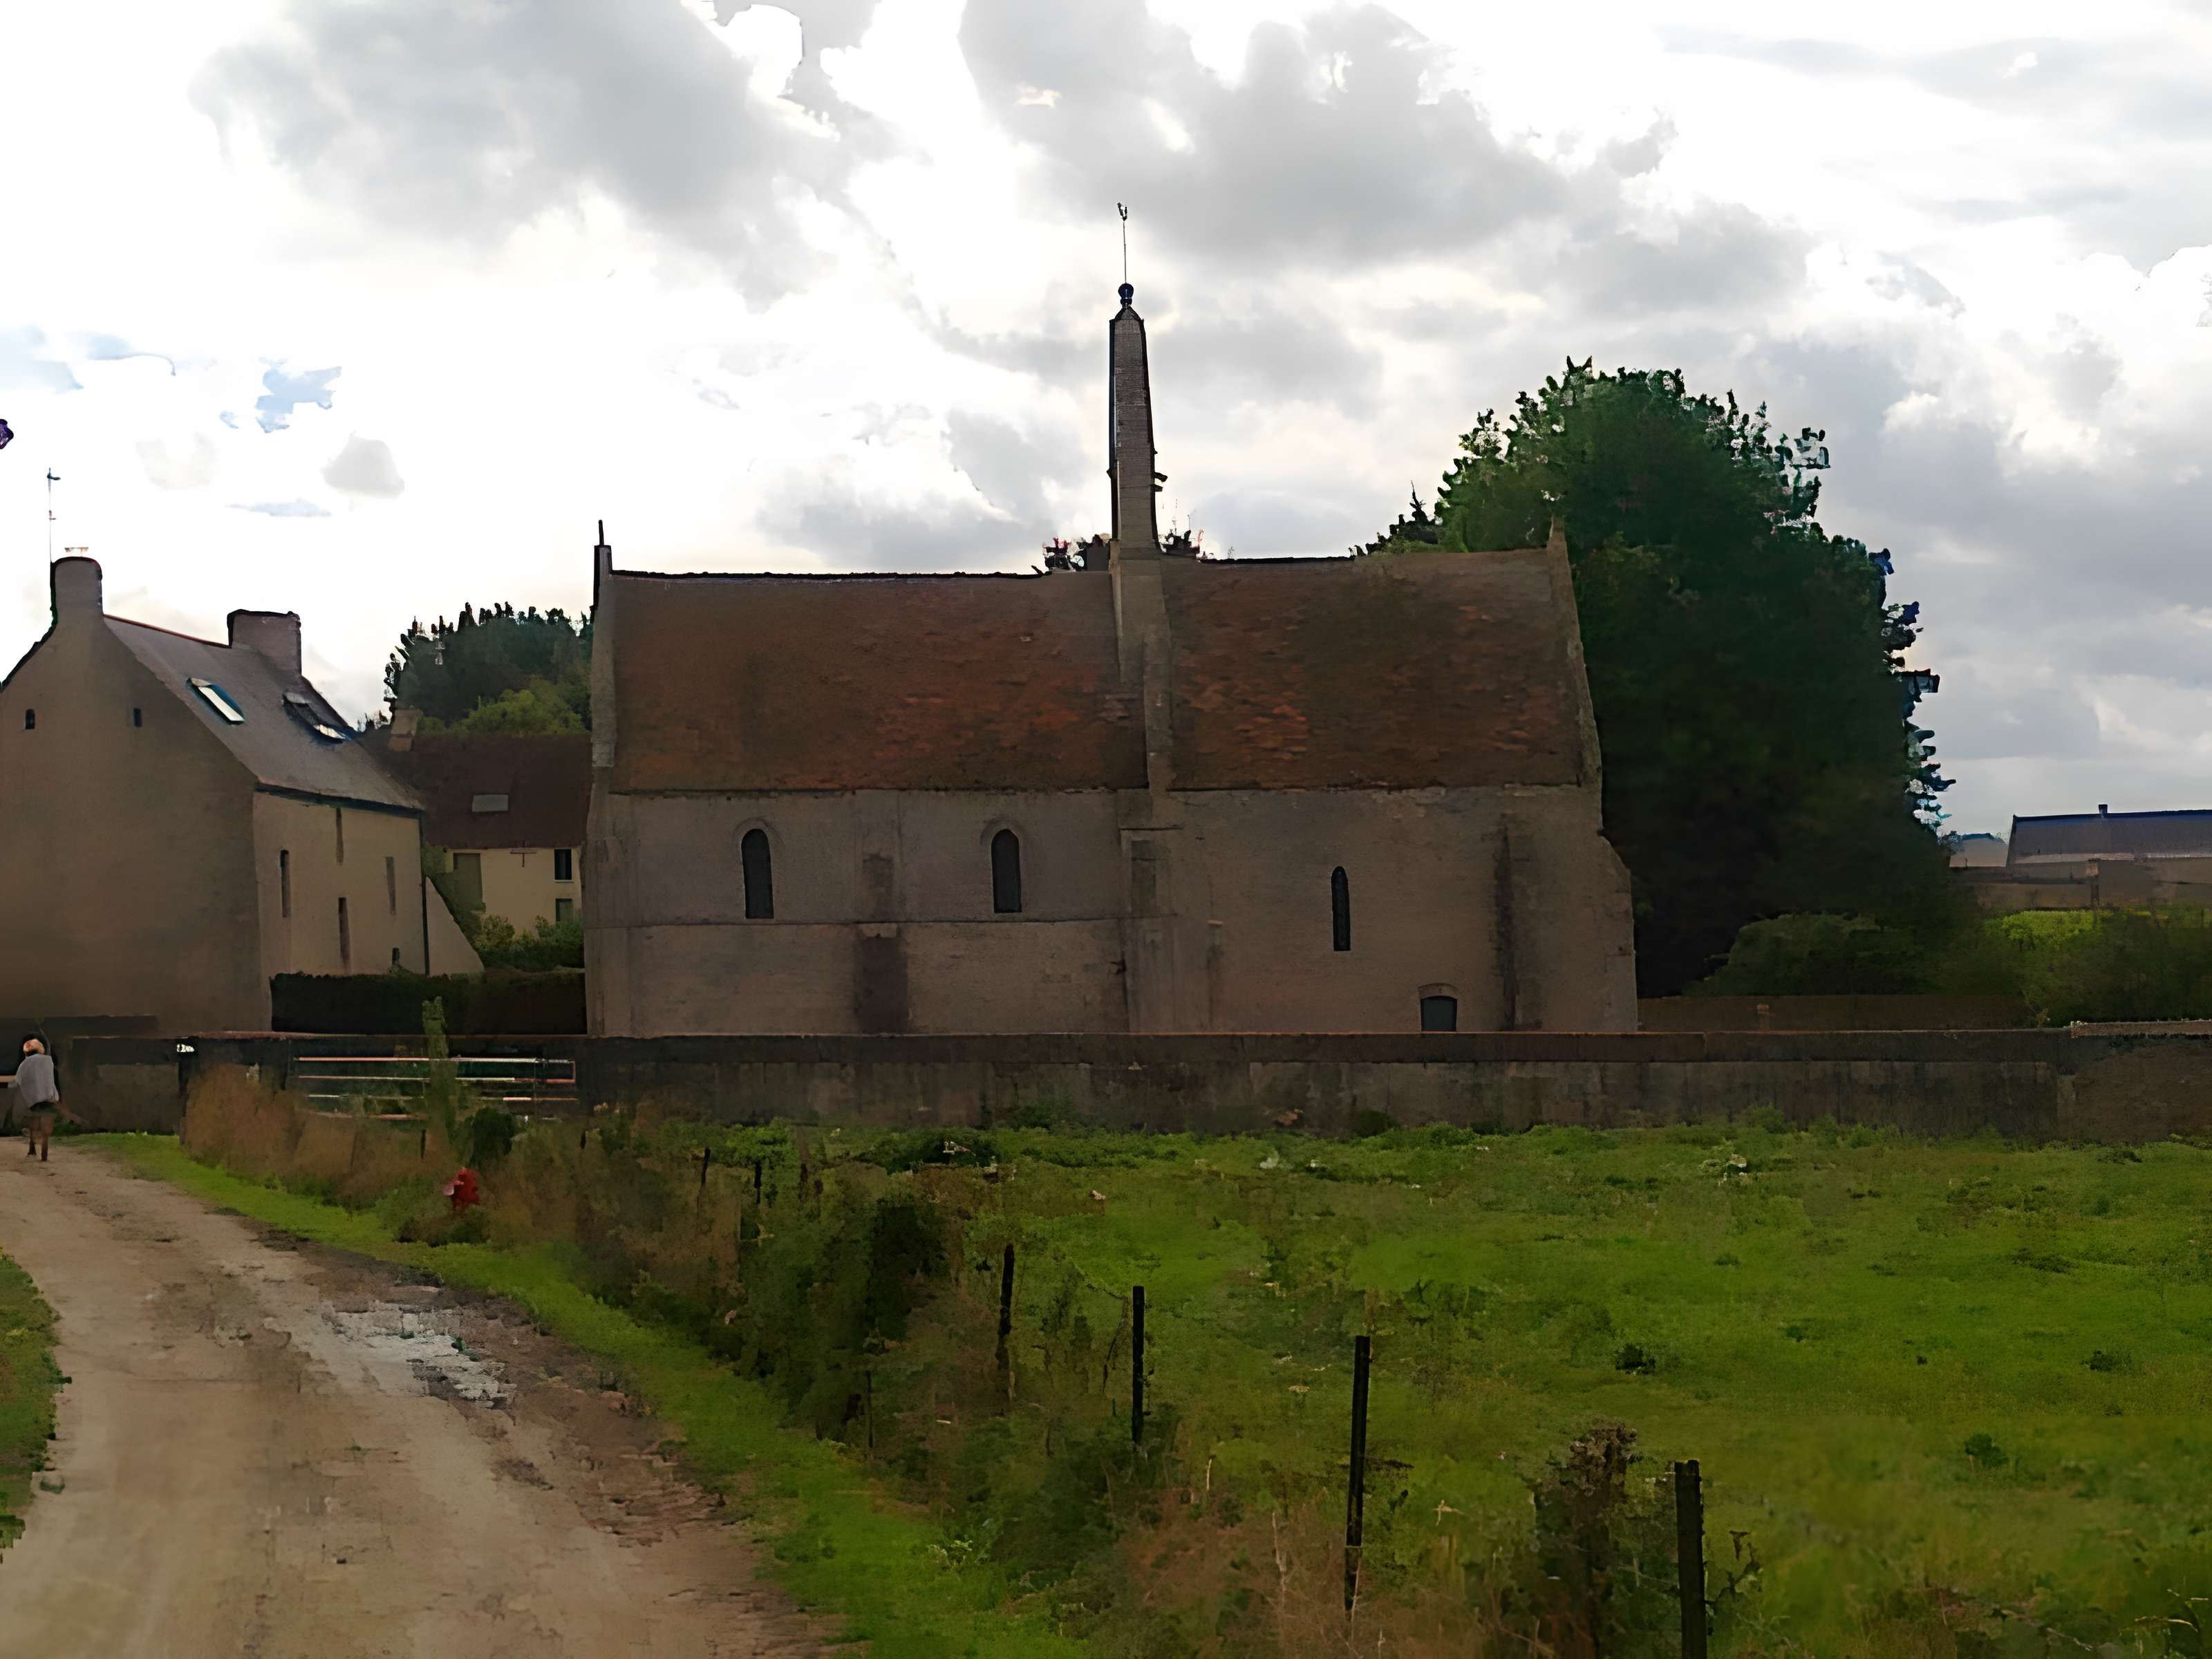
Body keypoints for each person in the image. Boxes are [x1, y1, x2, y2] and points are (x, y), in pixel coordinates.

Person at [11, 1036, 66, 1163]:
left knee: (33, 1124)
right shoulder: (48, 1061)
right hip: (50, 1099)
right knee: (46, 1127)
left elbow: (16, 1082)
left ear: (26, 1052)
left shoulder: (23, 1065)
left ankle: (32, 1146)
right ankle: (43, 1153)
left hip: (34, 1103)